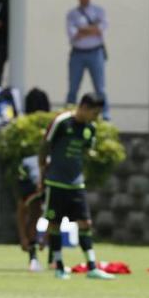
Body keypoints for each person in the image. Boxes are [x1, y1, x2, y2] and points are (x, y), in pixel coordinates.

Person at [39, 93, 114, 280]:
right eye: (94, 113)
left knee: (85, 223)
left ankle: (91, 267)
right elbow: (45, 145)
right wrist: (42, 174)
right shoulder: (62, 122)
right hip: (56, 182)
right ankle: (59, 266)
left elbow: (86, 151)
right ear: (84, 108)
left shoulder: (90, 129)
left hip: (76, 184)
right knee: (54, 224)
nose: (96, 117)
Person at [65, 0, 109, 119]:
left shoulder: (99, 11)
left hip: (95, 52)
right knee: (73, 88)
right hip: (78, 53)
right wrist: (92, 29)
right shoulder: (72, 14)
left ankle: (105, 116)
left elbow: (101, 29)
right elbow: (73, 34)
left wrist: (83, 29)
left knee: (100, 88)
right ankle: (69, 114)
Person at [16, 155, 44, 272]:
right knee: (34, 215)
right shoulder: (29, 187)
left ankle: (54, 259)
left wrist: (46, 237)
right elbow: (21, 213)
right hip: (31, 181)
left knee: (53, 216)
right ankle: (33, 258)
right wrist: (23, 238)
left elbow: (54, 217)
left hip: (47, 181)